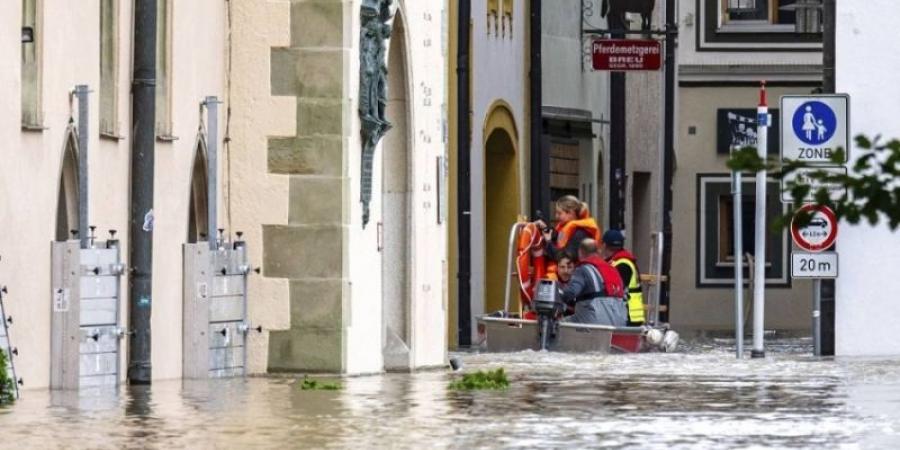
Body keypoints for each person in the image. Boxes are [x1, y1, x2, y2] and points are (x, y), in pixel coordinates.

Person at [558, 239, 627, 326]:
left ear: (580, 252)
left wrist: (558, 294)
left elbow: (570, 293)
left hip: (594, 321)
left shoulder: (583, 269)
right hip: (619, 322)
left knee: (559, 326)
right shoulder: (612, 269)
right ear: (597, 251)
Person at [535, 195, 600, 275]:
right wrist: (544, 228)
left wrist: (548, 242)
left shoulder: (580, 233)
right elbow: (556, 238)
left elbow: (565, 258)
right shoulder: (564, 227)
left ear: (570, 213)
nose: (556, 216)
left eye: (559, 213)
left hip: (573, 277)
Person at [601, 229, 645, 326]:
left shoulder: (622, 264)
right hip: (629, 314)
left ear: (604, 245)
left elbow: (614, 290)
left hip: (628, 315)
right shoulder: (623, 261)